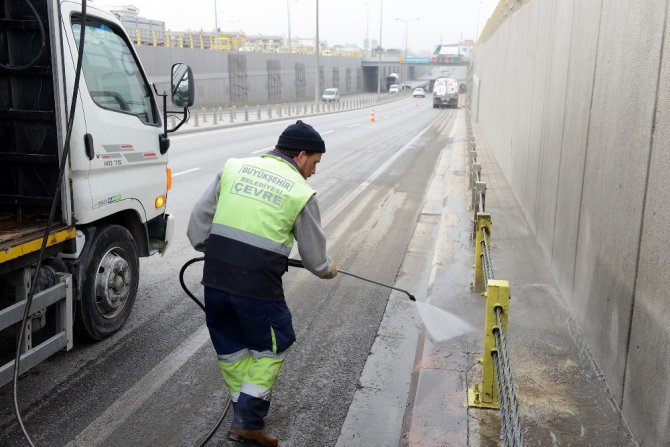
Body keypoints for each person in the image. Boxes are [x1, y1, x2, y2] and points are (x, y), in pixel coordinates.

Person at [187, 120, 337, 446]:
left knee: (231, 348)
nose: (312, 172)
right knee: (273, 346)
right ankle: (248, 423)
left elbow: (198, 226)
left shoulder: (234, 168)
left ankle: (242, 411)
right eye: (314, 163)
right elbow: (314, 258)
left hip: (214, 280)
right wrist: (329, 269)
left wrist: (219, 253)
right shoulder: (300, 191)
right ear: (300, 155)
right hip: (257, 288)